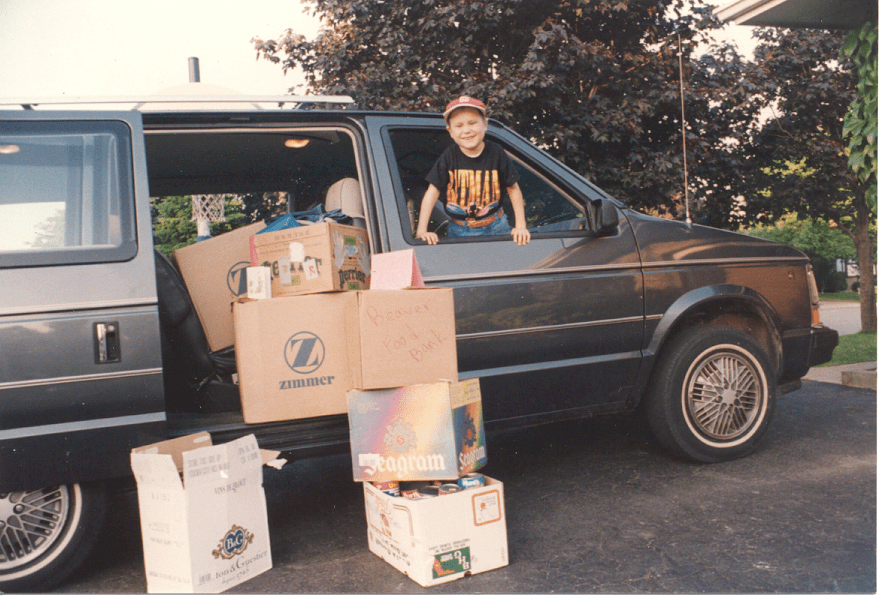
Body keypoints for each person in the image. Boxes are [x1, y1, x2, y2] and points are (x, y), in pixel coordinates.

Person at [415, 96, 531, 246]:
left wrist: (521, 226)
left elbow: (513, 188)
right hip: (459, 230)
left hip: (497, 226)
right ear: (450, 131)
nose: (466, 130)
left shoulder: (496, 153)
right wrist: (422, 230)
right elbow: (432, 193)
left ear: (485, 124)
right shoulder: (449, 156)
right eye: (459, 126)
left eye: (472, 123)